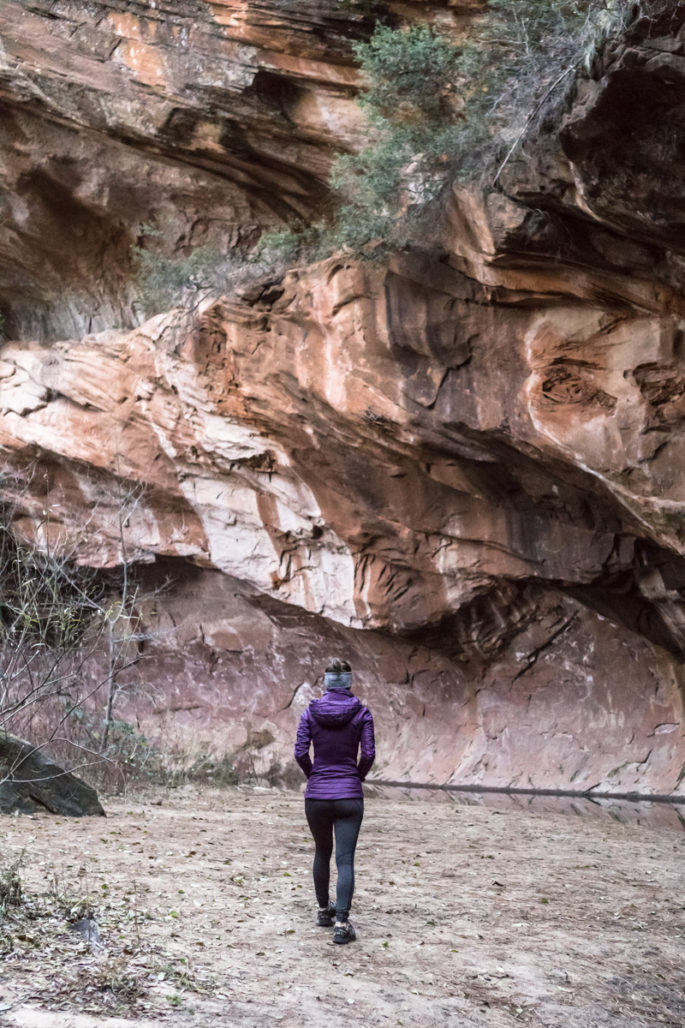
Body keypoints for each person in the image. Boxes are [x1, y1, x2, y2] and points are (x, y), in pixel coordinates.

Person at [294, 658, 375, 944]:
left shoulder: (309, 713)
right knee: (345, 860)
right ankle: (341, 924)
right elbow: (368, 755)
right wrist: (357, 777)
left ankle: (322, 911)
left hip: (316, 795)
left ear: (325, 683)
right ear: (349, 683)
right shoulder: (362, 713)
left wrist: (314, 775)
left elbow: (301, 753)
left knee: (321, 852)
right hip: (349, 795)